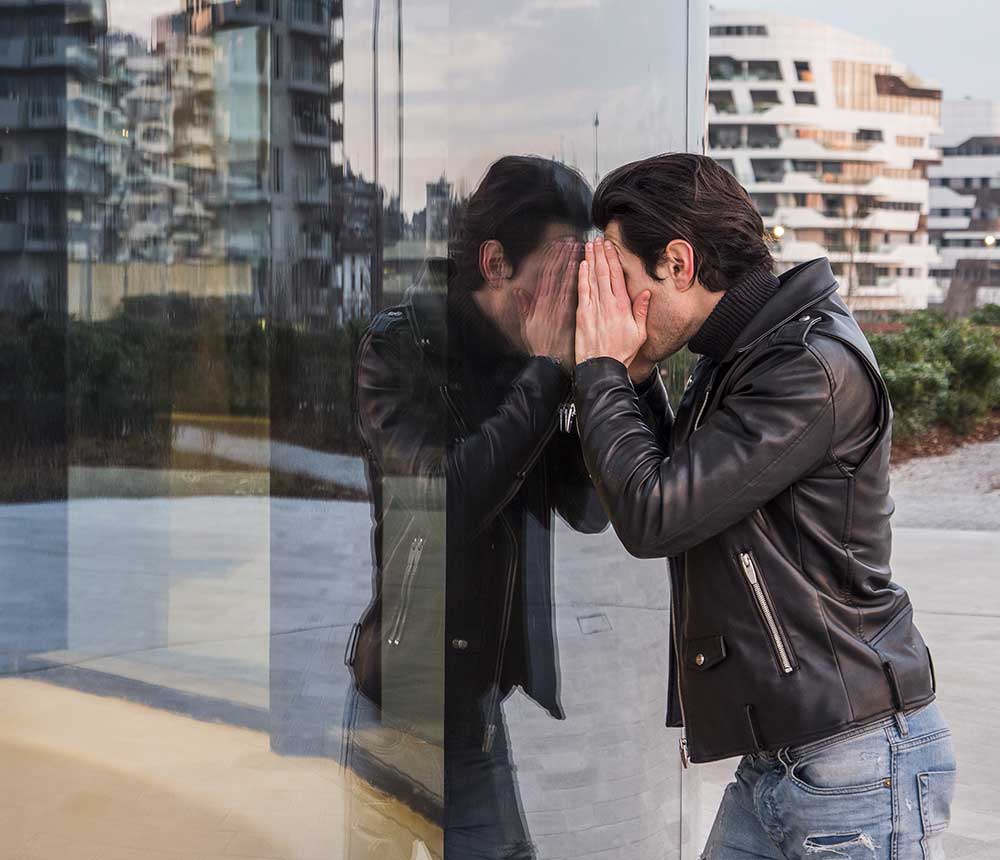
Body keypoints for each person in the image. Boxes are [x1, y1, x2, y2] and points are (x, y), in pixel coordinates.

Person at [571, 153, 955, 860]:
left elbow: (655, 512)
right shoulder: (743, 356)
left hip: (856, 760)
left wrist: (599, 372)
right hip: (786, 755)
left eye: (622, 281)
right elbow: (680, 482)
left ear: (679, 263)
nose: (616, 308)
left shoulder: (807, 366)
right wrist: (636, 374)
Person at [344, 155, 608, 859]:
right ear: (496, 261)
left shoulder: (528, 362)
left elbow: (589, 508)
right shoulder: (401, 346)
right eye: (557, 274)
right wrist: (549, 375)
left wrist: (607, 379)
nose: (568, 296)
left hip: (472, 705)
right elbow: (443, 503)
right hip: (397, 705)